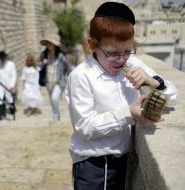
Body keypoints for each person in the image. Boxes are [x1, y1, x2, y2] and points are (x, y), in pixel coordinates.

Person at [65, 2, 178, 190]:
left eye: (127, 51)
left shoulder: (132, 62)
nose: (121, 59)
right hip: (94, 164)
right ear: (92, 44)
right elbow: (84, 126)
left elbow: (174, 96)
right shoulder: (81, 76)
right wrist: (129, 114)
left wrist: (153, 81)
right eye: (112, 53)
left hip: (123, 159)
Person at [39, 25, 71, 121]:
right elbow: (38, 67)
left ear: (55, 45)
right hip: (49, 82)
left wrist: (72, 77)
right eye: (48, 44)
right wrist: (42, 63)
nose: (49, 46)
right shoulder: (44, 55)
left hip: (59, 82)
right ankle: (55, 116)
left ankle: (56, 117)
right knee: (52, 101)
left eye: (50, 44)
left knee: (54, 99)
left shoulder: (61, 56)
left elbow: (68, 68)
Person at [0, 50, 17, 120]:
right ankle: (1, 113)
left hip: (8, 84)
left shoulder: (11, 64)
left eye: (3, 58)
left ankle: (12, 109)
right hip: (1, 84)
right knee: (0, 98)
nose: (2, 59)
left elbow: (14, 75)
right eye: (0, 58)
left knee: (9, 98)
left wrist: (12, 84)